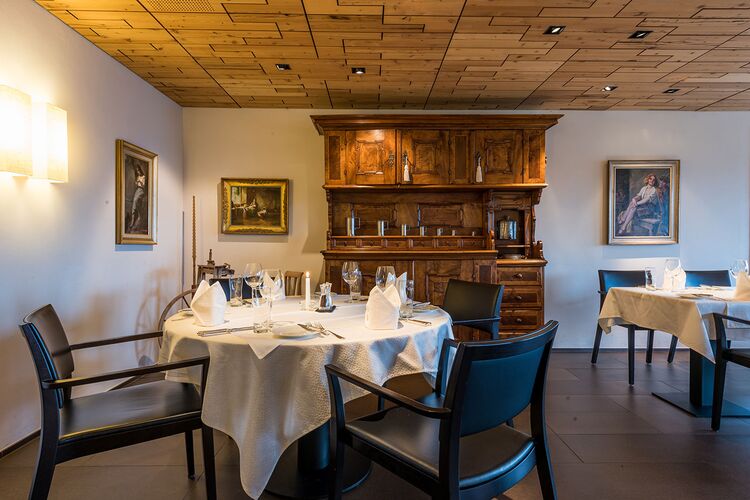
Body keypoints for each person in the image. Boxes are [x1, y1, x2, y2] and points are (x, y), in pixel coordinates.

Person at [128, 164, 147, 233]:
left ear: (140, 170)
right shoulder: (138, 177)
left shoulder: (143, 177)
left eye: (138, 170)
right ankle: (132, 222)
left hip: (141, 190)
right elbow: (136, 184)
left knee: (136, 201)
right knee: (134, 205)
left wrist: (140, 181)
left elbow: (143, 185)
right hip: (137, 190)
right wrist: (136, 182)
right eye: (137, 171)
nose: (138, 172)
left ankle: (139, 217)